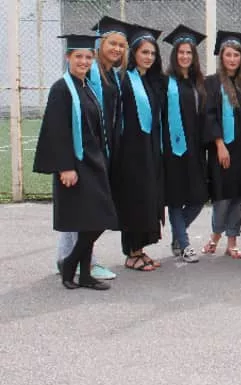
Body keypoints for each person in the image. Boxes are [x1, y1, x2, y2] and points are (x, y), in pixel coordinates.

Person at [34, 34, 118, 290]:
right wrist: (65, 167)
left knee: (94, 220)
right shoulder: (62, 89)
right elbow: (56, 130)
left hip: (93, 162)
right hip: (76, 164)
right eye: (78, 56)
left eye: (88, 57)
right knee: (94, 219)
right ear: (67, 57)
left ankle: (81, 273)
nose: (84, 61)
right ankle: (72, 265)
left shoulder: (86, 86)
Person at [56, 16, 131, 281]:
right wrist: (66, 164)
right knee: (87, 213)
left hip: (99, 152)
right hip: (82, 155)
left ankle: (78, 265)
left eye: (121, 45)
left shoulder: (106, 78)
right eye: (112, 43)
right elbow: (62, 124)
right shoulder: (81, 78)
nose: (117, 49)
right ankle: (73, 261)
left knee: (91, 213)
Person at [113, 24, 165, 271]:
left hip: (149, 148)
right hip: (131, 150)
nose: (149, 57)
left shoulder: (150, 81)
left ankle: (140, 250)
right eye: (144, 52)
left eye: (153, 53)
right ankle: (131, 253)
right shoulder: (123, 80)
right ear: (133, 53)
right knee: (134, 199)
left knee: (148, 199)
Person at [202, 30, 241, 260]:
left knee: (239, 198)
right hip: (222, 147)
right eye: (228, 55)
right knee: (222, 197)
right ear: (221, 57)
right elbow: (209, 115)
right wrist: (219, 144)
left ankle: (232, 241)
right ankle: (215, 236)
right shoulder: (212, 82)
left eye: (236, 55)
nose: (232, 59)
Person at [162, 25, 208, 263]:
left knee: (199, 197)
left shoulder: (198, 82)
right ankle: (185, 243)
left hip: (195, 147)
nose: (185, 56)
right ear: (174, 54)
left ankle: (177, 237)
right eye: (181, 52)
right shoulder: (164, 82)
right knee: (175, 198)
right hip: (171, 148)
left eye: (189, 52)